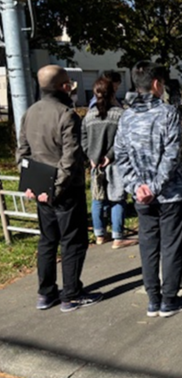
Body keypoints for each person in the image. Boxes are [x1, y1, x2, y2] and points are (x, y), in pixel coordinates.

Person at [16, 65, 103, 312]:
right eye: (70, 85)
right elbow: (70, 158)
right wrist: (56, 187)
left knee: (47, 240)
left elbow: (22, 152)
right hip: (65, 190)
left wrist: (31, 185)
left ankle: (46, 293)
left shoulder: (30, 113)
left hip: (40, 188)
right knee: (73, 242)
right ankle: (72, 295)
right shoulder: (67, 115)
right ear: (64, 86)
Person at [114, 61, 182, 318]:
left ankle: (152, 298)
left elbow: (121, 157)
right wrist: (156, 186)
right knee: (172, 245)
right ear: (157, 84)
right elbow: (171, 154)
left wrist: (137, 187)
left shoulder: (126, 117)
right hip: (171, 193)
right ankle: (169, 300)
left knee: (148, 247)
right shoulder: (168, 113)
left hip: (142, 196)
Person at [81, 78, 137, 250]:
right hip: (116, 163)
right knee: (117, 198)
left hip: (95, 164)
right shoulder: (121, 114)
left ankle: (99, 234)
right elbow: (125, 138)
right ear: (112, 93)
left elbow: (82, 138)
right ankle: (117, 237)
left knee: (97, 198)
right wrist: (110, 155)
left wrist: (91, 156)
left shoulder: (88, 116)